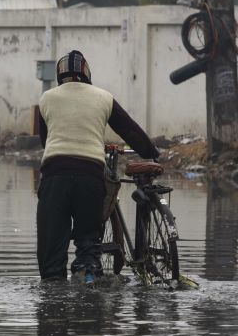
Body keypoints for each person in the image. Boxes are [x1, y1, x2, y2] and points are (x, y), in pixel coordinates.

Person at [36, 50, 159, 286]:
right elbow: (130, 131)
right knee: (88, 243)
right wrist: (152, 154)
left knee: (51, 256)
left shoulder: (46, 98)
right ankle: (89, 279)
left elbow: (46, 142)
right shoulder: (103, 97)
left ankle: (53, 301)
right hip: (90, 177)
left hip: (55, 176)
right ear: (86, 73)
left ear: (59, 74)